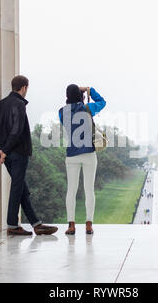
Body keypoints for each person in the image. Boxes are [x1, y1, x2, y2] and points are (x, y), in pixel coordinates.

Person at [0, 75, 58, 236]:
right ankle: (13, 225)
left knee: (21, 188)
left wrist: (0, 151)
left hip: (5, 154)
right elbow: (17, 130)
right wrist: (6, 151)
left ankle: (36, 224)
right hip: (16, 153)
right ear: (24, 88)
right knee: (17, 188)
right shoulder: (19, 104)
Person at [59, 85, 106, 235]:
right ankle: (88, 225)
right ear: (81, 96)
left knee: (71, 190)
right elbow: (102, 102)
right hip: (88, 153)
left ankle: (71, 225)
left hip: (72, 153)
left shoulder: (61, 112)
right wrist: (90, 90)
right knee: (89, 190)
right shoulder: (87, 108)